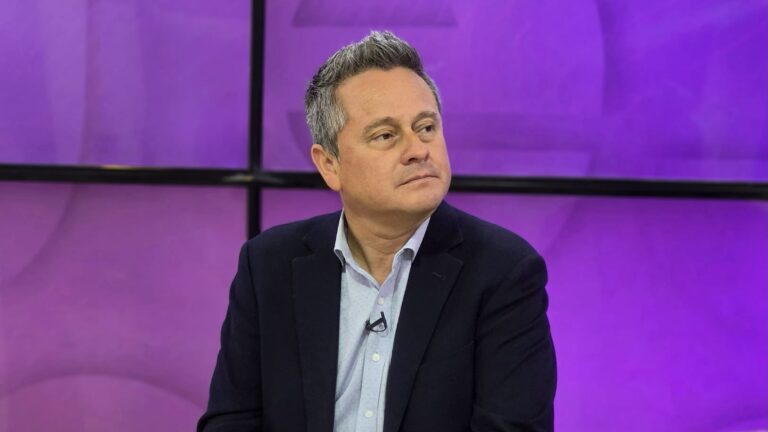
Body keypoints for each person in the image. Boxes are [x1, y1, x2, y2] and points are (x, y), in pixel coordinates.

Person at [198, 31, 556, 432]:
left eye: (426, 127)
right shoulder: (268, 265)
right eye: (386, 135)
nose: (418, 150)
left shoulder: (504, 272)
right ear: (329, 164)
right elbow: (231, 421)